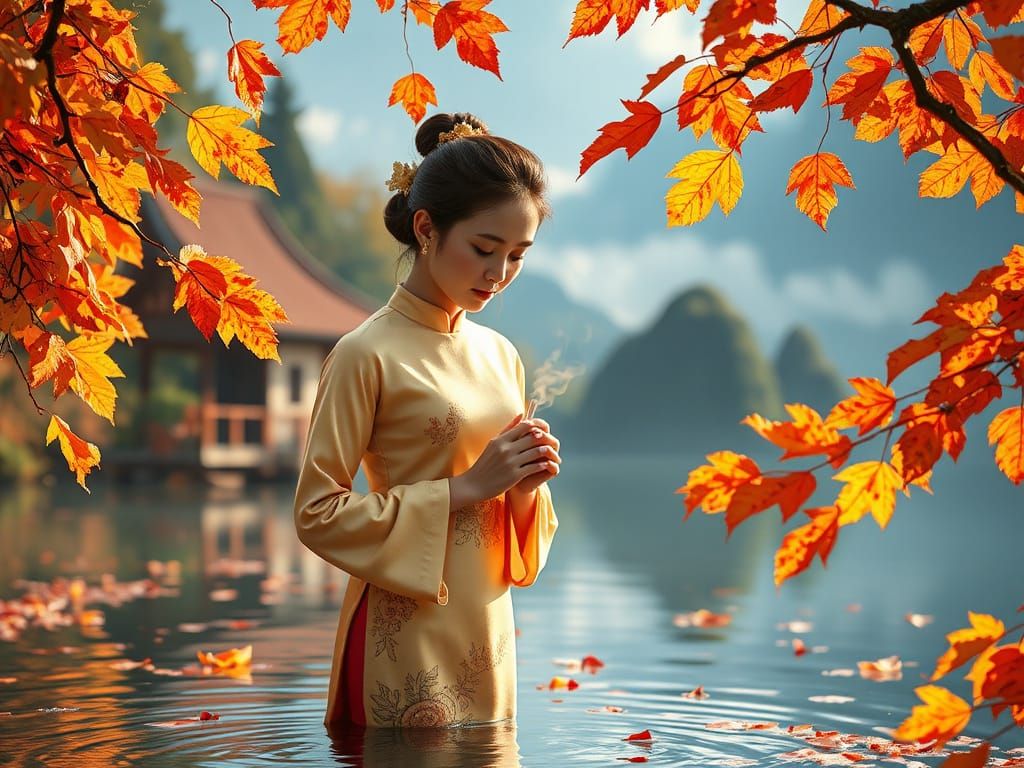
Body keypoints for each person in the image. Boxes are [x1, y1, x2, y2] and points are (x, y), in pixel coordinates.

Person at [293, 112, 561, 729]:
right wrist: (465, 488)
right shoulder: (365, 353)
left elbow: (513, 526)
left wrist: (525, 487)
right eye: (484, 249)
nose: (498, 275)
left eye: (517, 256)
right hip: (403, 624)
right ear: (426, 228)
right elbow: (316, 514)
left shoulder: (501, 354)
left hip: (486, 624)